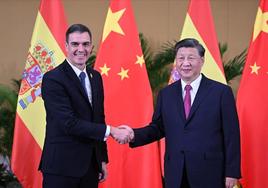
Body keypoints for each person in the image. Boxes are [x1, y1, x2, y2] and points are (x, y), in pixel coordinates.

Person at [122, 38, 241, 188]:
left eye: (191, 58)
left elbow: (231, 135)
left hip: (209, 172)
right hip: (176, 172)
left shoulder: (221, 92)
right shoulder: (166, 94)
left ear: (202, 60)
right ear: (176, 62)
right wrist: (133, 134)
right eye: (181, 58)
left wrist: (232, 172)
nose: (185, 63)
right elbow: (158, 128)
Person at [39, 24, 132, 188]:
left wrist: (101, 159)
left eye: (86, 44)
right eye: (75, 44)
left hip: (90, 166)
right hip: (61, 168)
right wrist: (112, 131)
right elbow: (68, 123)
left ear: (92, 47)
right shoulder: (53, 78)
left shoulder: (95, 77)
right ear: (66, 46)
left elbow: (98, 118)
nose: (81, 49)